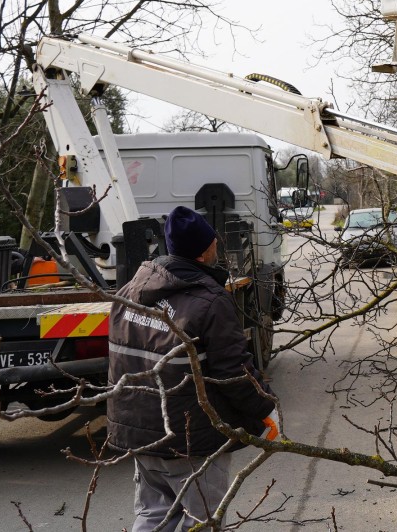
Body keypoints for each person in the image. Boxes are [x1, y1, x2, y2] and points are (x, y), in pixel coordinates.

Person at [107, 206, 280, 532]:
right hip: (192, 441)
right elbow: (234, 374)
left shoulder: (127, 293)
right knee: (202, 522)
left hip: (140, 437)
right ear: (205, 249)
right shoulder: (210, 302)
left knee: (153, 516)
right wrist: (267, 410)